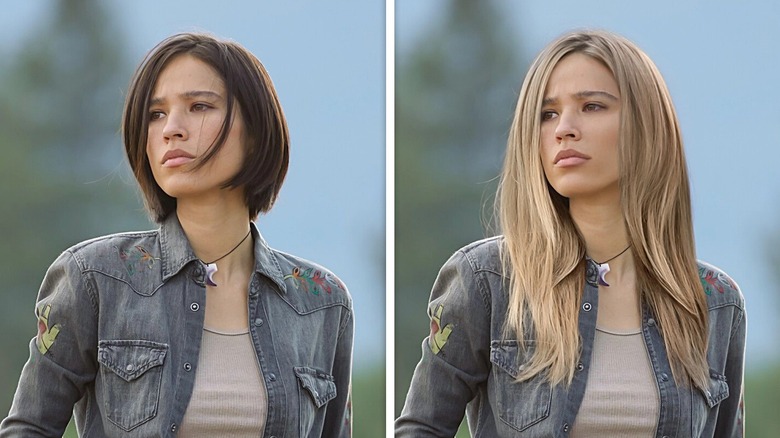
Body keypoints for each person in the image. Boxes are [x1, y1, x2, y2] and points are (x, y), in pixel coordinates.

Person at [0, 32, 353, 437]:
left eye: (199, 106)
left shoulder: (322, 302)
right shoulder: (95, 278)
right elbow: (27, 428)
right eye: (155, 114)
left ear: (255, 133)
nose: (172, 129)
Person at [396, 30, 745, 437]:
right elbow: (420, 428)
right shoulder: (487, 280)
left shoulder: (715, 303)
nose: (564, 128)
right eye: (547, 114)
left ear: (647, 126)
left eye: (592, 106)